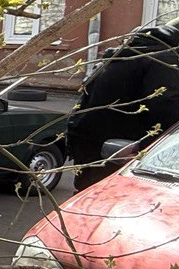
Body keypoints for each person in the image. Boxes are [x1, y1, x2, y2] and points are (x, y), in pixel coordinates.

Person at [66, 17, 179, 190]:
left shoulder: (123, 54)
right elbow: (168, 114)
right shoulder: (163, 61)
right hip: (119, 157)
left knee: (90, 199)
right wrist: (142, 147)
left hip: (90, 148)